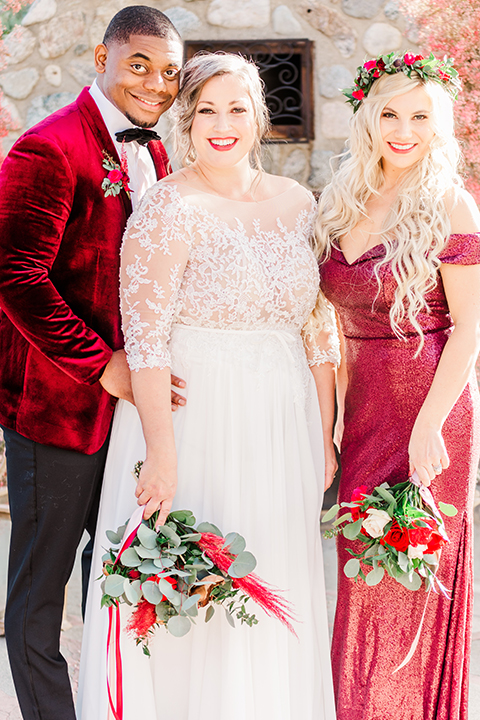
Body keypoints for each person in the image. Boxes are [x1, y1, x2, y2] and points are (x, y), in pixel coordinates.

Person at [78, 52, 338, 720]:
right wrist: (161, 454)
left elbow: (318, 328)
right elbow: (147, 337)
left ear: (260, 117)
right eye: (206, 111)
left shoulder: (299, 202)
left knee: (274, 570)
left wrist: (326, 431)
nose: (222, 125)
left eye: (237, 109)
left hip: (282, 419)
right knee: (200, 584)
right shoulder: (167, 206)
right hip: (195, 421)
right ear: (187, 122)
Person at [0, 7, 185, 720]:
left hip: (129, 412)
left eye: (169, 71)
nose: (155, 83)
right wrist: (102, 364)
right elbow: (17, 275)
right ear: (101, 57)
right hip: (56, 404)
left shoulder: (155, 152)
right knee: (40, 589)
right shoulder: (49, 148)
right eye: (139, 63)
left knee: (109, 569)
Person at [315, 52, 480, 720]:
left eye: (419, 115)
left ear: (439, 124)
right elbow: (319, 324)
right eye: (389, 112)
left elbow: (469, 329)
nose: (402, 128)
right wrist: (326, 420)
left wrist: (428, 427)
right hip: (363, 413)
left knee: (411, 580)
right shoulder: (340, 197)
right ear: (367, 117)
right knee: (362, 580)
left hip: (431, 411)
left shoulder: (450, 202)